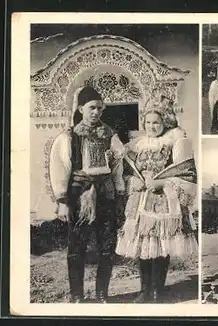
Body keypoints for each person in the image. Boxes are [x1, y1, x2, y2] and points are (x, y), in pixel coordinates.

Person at [115, 96, 198, 303]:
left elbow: (186, 173)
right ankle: (144, 290)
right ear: (143, 123)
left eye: (157, 122)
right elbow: (126, 172)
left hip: (163, 200)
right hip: (141, 200)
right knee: (142, 245)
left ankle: (157, 290)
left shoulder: (175, 142)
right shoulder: (136, 145)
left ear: (165, 123)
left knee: (161, 245)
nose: (152, 126)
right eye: (148, 122)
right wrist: (132, 181)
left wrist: (162, 183)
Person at [49, 86, 126, 303]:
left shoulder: (110, 135)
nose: (96, 113)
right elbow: (59, 169)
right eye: (92, 108)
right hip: (79, 194)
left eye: (100, 109)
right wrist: (62, 201)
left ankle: (102, 294)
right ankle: (77, 296)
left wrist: (119, 195)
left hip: (105, 195)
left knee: (107, 245)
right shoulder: (69, 137)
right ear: (81, 108)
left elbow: (117, 167)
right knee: (77, 246)